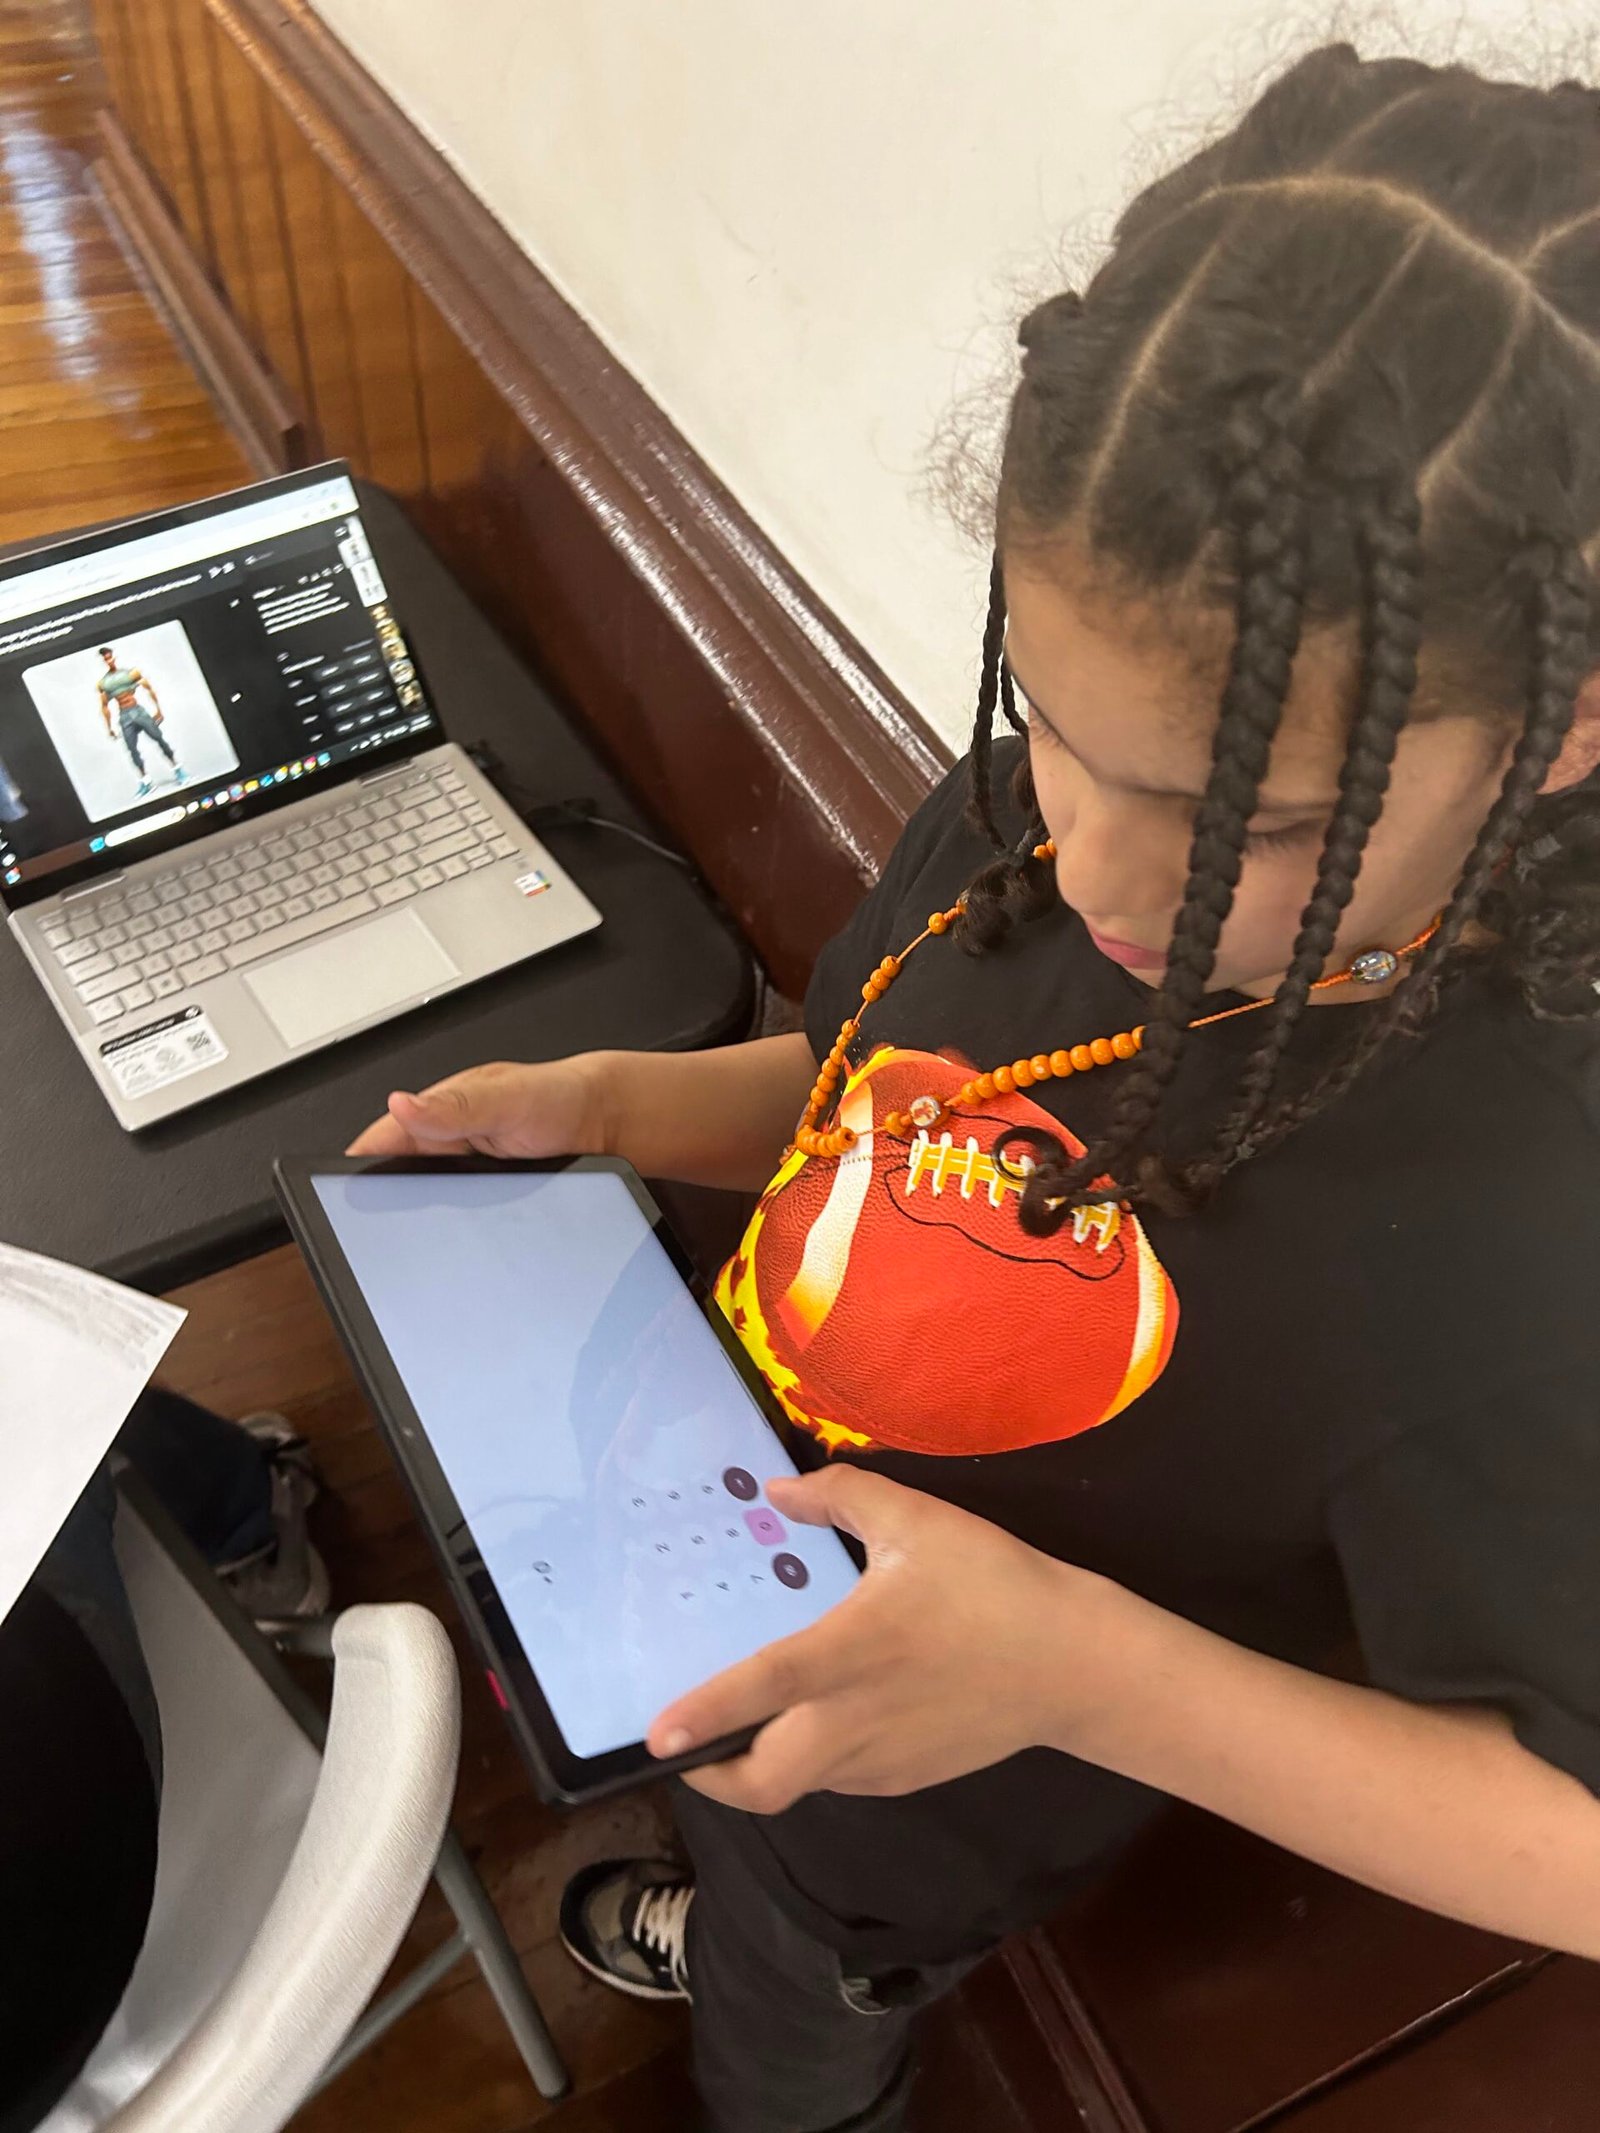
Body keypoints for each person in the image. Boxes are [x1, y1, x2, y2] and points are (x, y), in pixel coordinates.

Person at [352, 46, 1600, 2133]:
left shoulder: (1524, 1230)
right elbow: (889, 1083)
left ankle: (787, 2019)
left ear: (1559, 728)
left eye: (1242, 823)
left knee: (796, 1978)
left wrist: (1077, 1672)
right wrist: (622, 1107)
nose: (1091, 868)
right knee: (711, 1788)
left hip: (926, 1793)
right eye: (1054, 731)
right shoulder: (1052, 824)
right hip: (736, 1520)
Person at [0, 1391, 324, 2132]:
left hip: (38, 2080)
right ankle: (251, 1520)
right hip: (54, 1905)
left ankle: (240, 1503)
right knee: (30, 1377)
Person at [95, 645, 185, 799]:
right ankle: (146, 781)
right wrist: (109, 728)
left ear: (114, 657)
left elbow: (148, 688)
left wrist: (158, 709)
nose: (109, 660)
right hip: (124, 716)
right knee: (132, 749)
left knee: (158, 738)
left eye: (110, 657)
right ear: (104, 661)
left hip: (138, 711)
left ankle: (178, 770)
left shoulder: (130, 674)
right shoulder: (104, 683)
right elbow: (104, 706)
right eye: (106, 659)